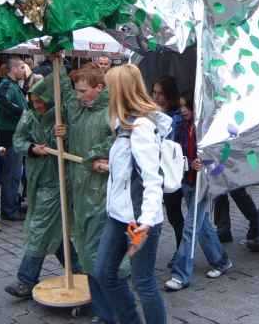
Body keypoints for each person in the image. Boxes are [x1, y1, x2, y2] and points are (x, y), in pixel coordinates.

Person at [95, 64, 167, 324]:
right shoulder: (121, 123)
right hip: (118, 215)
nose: (105, 93)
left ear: (120, 91)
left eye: (109, 88)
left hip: (139, 221)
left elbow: (152, 179)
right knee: (103, 272)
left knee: (143, 282)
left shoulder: (141, 127)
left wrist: (146, 224)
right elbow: (128, 169)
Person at [50, 63, 117, 322]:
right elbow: (65, 94)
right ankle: (101, 309)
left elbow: (118, 141)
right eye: (77, 91)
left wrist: (95, 156)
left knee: (100, 255)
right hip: (80, 192)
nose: (78, 96)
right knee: (87, 253)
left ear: (99, 89)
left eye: (83, 91)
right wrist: (63, 134)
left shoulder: (112, 113)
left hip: (102, 195)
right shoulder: (79, 110)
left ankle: (110, 309)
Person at [165, 93, 232, 292]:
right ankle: (221, 261)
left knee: (190, 227)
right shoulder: (181, 126)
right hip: (188, 180)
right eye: (182, 106)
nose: (183, 109)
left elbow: (222, 153)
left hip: (205, 183)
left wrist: (205, 162)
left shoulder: (209, 127)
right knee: (202, 226)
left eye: (188, 106)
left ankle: (181, 274)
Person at [5, 82, 65, 298]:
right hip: (37, 179)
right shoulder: (28, 115)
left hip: (58, 181)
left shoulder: (61, 115)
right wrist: (32, 148)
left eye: (41, 101)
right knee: (57, 231)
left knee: (41, 228)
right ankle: (82, 272)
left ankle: (26, 279)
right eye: (34, 101)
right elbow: (18, 140)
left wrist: (63, 134)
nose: (38, 105)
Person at [151, 76, 184, 253]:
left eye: (160, 94)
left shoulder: (176, 116)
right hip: (157, 169)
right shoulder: (153, 112)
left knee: (175, 215)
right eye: (154, 92)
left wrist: (158, 114)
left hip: (173, 170)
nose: (156, 97)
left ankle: (181, 251)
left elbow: (168, 139)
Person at [0, 57, 28, 220]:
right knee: (11, 174)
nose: (24, 70)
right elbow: (1, 101)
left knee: (15, 173)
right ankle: (9, 209)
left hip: (15, 134)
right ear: (13, 69)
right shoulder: (6, 85)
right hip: (9, 135)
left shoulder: (13, 85)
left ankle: (12, 204)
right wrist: (21, 112)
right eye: (22, 67)